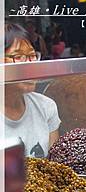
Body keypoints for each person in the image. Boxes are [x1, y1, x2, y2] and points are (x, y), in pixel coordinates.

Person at [3, 23, 61, 157]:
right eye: (17, 57)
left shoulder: (46, 107)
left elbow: (55, 169)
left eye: (32, 56)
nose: (30, 64)